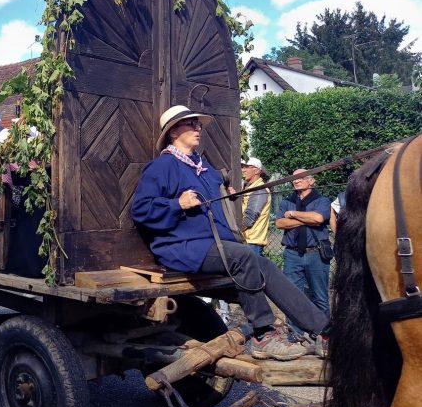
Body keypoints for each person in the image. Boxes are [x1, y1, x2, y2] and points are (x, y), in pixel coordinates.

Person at [131, 105, 329, 361]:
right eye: (190, 124)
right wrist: (176, 204)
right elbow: (141, 210)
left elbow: (219, 188)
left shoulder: (202, 167)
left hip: (210, 245)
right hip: (178, 246)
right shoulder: (162, 166)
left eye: (198, 124)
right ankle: (262, 334)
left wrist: (226, 184)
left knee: (264, 264)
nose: (197, 128)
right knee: (244, 256)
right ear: (172, 133)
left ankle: (322, 329)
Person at [276, 170, 333, 340]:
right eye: (294, 178)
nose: (296, 180)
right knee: (293, 296)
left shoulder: (321, 200)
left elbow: (318, 218)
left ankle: (324, 335)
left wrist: (293, 214)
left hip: (315, 253)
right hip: (292, 254)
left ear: (311, 181)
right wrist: (305, 218)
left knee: (320, 296)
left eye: (301, 177)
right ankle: (295, 334)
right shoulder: (287, 201)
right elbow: (279, 223)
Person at [240, 157, 271, 257]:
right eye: (243, 167)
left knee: (252, 271)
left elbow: (249, 219)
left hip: (252, 242)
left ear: (257, 170)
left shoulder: (259, 190)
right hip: (247, 240)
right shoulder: (249, 187)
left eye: (247, 167)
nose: (243, 170)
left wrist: (234, 231)